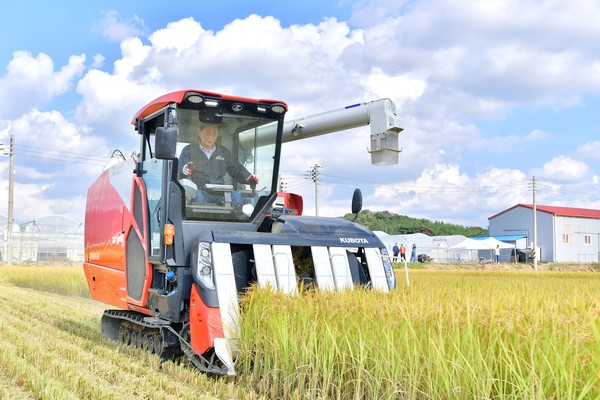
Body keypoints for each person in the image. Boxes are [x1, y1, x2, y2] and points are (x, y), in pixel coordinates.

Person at [178, 123, 258, 204]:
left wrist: (248, 177)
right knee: (197, 196)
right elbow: (181, 170)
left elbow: (236, 169)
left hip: (219, 191)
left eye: (214, 133)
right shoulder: (188, 150)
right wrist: (184, 169)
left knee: (236, 196)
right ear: (199, 132)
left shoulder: (224, 152)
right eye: (208, 132)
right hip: (199, 190)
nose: (211, 137)